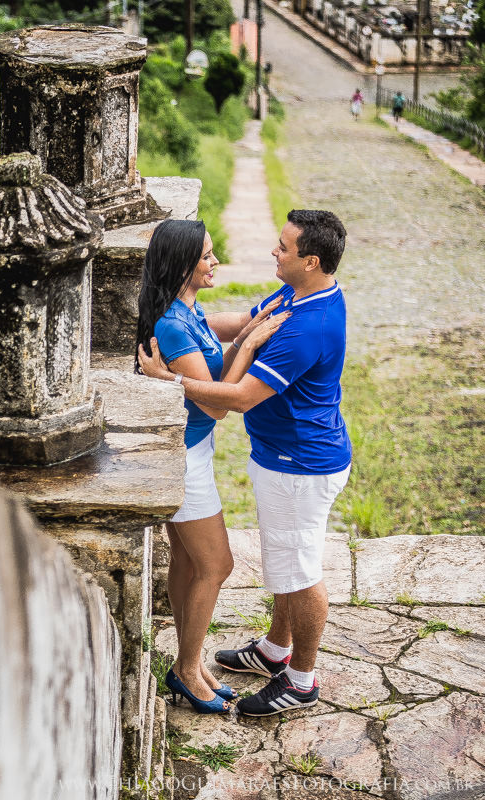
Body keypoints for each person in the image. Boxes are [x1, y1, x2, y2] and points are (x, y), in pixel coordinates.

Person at [138, 209, 352, 718]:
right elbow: (236, 324)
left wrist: (172, 376)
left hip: (298, 463)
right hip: (267, 455)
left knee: (296, 572)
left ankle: (299, 680)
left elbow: (232, 400)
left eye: (284, 247)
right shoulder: (296, 294)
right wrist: (224, 334)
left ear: (311, 261)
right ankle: (266, 652)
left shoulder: (308, 325)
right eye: (208, 255)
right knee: (236, 562)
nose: (273, 252)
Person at [134, 219, 288, 714]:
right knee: (217, 565)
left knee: (187, 562)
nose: (215, 261)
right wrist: (249, 345)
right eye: (206, 255)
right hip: (185, 460)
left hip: (193, 449)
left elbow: (225, 340)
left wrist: (257, 324)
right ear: (183, 265)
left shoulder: (188, 310)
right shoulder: (172, 325)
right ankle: (186, 670)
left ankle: (190, 663)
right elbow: (215, 406)